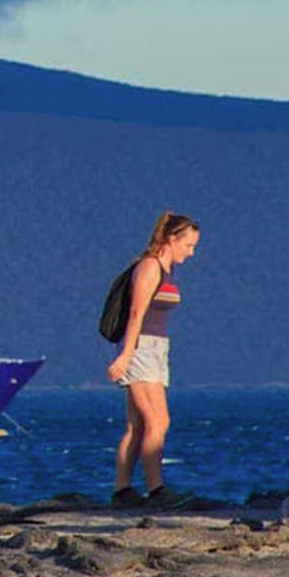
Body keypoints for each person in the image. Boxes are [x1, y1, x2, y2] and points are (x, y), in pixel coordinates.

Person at [107, 212, 201, 509]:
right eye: (188, 245)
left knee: (137, 426)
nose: (191, 252)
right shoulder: (149, 268)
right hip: (142, 348)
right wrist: (126, 355)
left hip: (157, 348)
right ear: (171, 240)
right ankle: (156, 489)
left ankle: (122, 491)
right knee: (158, 421)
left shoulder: (166, 270)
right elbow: (136, 314)